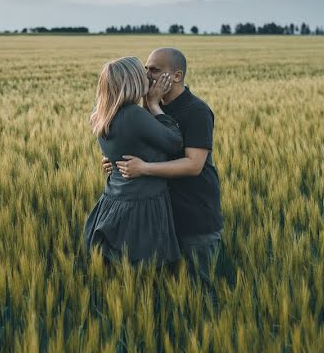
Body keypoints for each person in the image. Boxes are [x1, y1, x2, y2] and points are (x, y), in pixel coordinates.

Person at [104, 48, 223, 310]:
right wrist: (116, 162)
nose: (147, 75)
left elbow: (194, 165)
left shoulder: (197, 111)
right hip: (160, 217)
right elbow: (142, 149)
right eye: (146, 68)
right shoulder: (146, 111)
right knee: (167, 295)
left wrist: (144, 168)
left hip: (195, 215)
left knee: (201, 293)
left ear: (176, 75)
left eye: (154, 70)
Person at [83, 56, 183, 265]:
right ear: (133, 81)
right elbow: (175, 142)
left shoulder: (102, 115)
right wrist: (154, 105)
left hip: (113, 202)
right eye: (143, 74)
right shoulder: (133, 115)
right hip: (141, 207)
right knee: (147, 273)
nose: (148, 76)